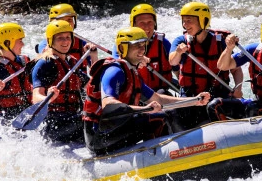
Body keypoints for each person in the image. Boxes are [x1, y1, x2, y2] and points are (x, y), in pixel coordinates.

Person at [82, 27, 211, 155]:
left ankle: (181, 149)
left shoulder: (132, 73)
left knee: (168, 112)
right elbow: (109, 105)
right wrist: (145, 109)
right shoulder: (114, 71)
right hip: (98, 137)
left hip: (115, 128)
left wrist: (194, 101)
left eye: (143, 45)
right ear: (122, 48)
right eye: (136, 45)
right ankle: (165, 155)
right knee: (158, 118)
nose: (142, 49)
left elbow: (158, 99)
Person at [168, 2, 242, 128]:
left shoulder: (220, 42)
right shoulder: (181, 41)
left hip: (218, 95)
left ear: (203, 20)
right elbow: (172, 61)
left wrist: (238, 88)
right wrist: (179, 52)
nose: (185, 25)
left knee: (215, 106)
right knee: (172, 113)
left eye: (189, 20)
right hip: (191, 96)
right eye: (184, 21)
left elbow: (236, 70)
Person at [31, 20, 97, 142]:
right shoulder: (45, 63)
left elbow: (93, 87)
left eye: (68, 37)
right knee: (88, 117)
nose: (65, 41)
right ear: (50, 41)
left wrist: (94, 57)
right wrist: (48, 98)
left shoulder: (71, 62)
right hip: (53, 125)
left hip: (73, 119)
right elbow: (35, 98)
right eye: (60, 38)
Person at [111, 4, 177, 94]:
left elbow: (176, 69)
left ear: (155, 23)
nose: (146, 27)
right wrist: (133, 60)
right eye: (142, 23)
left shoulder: (163, 43)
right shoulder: (123, 43)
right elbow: (116, 65)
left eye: (150, 22)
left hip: (159, 92)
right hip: (135, 93)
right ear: (133, 25)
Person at [35, 4, 92, 69]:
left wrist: (93, 56)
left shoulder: (82, 43)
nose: (67, 24)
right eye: (62, 20)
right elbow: (45, 58)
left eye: (69, 20)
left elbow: (96, 74)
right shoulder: (45, 44)